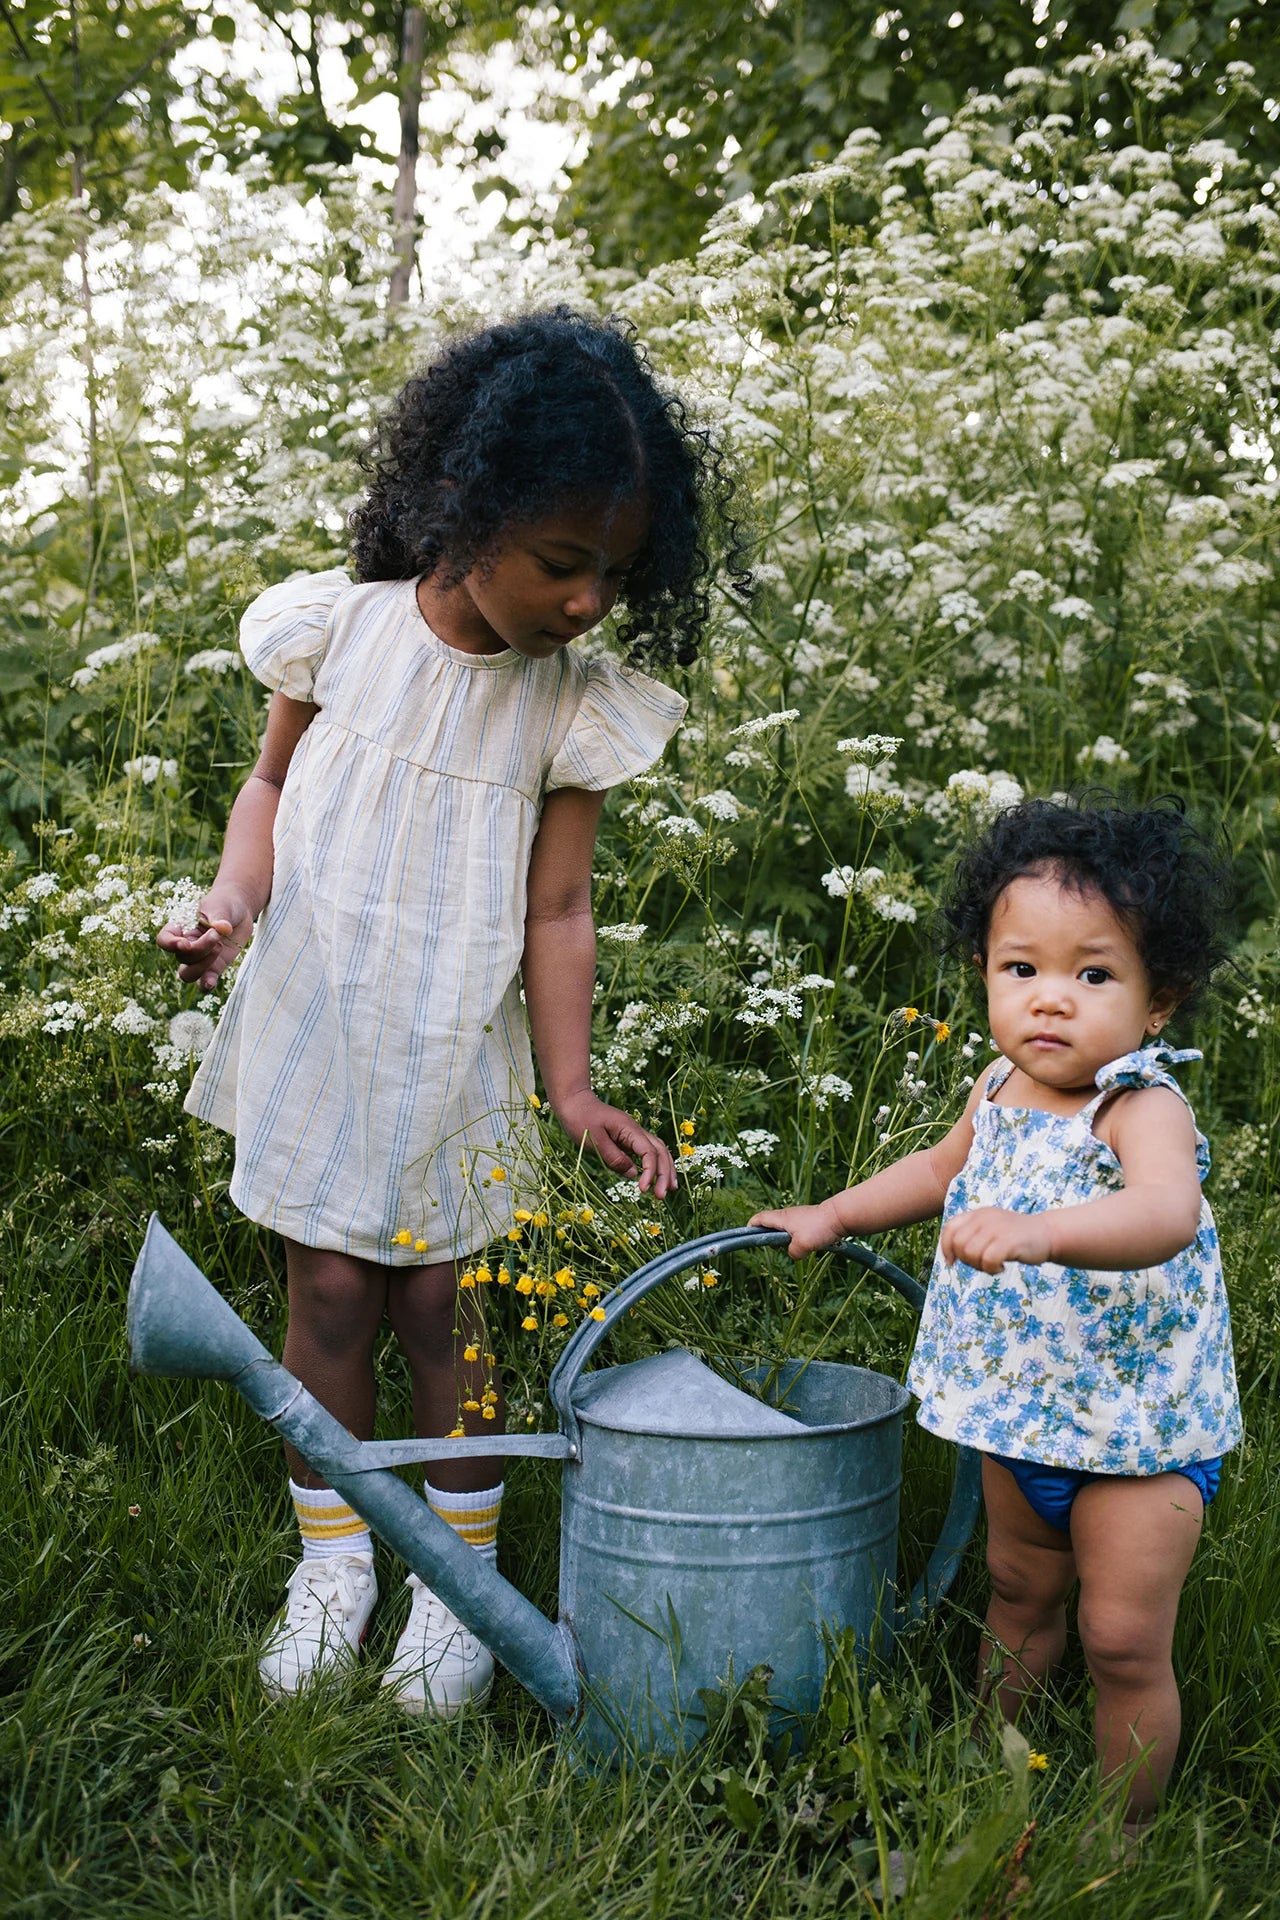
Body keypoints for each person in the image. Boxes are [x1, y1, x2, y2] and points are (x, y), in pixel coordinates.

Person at [159, 307, 749, 1715]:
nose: (591, 600)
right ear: (463, 508)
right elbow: (269, 794)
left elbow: (556, 912)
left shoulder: (568, 709)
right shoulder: (339, 634)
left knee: (438, 1304)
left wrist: (572, 1085)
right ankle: (335, 1567)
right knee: (328, 1292)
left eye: (616, 572)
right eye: (563, 564)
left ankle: (454, 1581)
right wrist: (232, 911)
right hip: (320, 1015)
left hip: (447, 1045)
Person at [752, 796, 1241, 1835]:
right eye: (1020, 970)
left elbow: (1163, 1210)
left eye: (1092, 974)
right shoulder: (999, 1085)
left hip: (1134, 1431)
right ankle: (988, 1767)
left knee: (1118, 1637)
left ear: (1159, 1001)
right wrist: (834, 1213)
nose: (1049, 1002)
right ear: (984, 972)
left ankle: (1124, 1832)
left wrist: (1043, 1231)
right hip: (1019, 1415)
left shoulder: (1138, 1105)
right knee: (1016, 1595)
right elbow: (938, 1169)